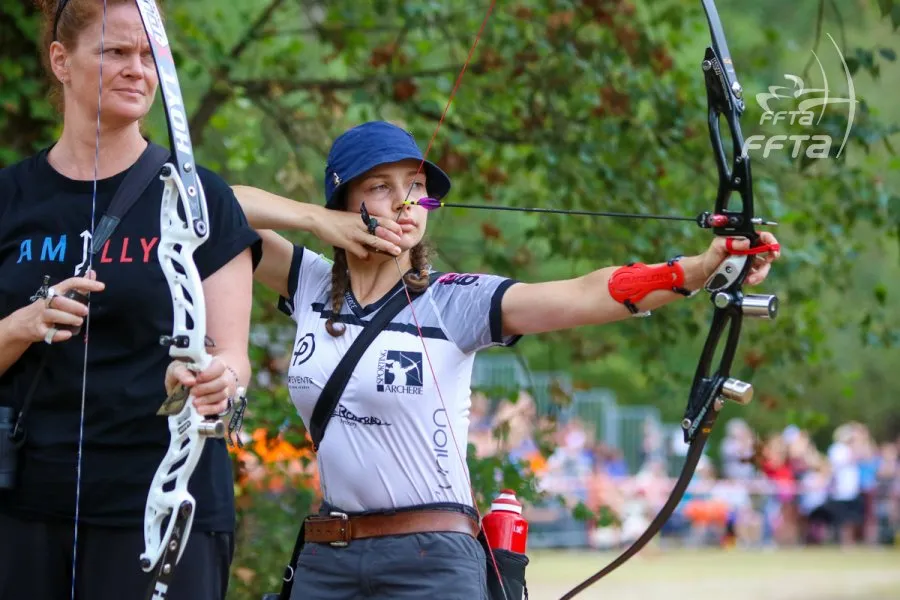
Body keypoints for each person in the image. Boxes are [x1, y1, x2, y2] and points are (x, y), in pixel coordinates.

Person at [231, 120, 781, 599]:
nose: (405, 202)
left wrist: (700, 267)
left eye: (416, 187)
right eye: (381, 187)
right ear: (344, 202)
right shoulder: (306, 283)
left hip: (429, 562)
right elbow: (203, 201)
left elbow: (582, 295)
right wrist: (313, 220)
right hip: (328, 559)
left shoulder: (452, 301)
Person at [0, 2, 262, 599]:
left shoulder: (203, 200)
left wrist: (216, 380)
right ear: (60, 61)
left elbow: (232, 357)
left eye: (148, 56)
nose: (136, 70)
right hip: (25, 507)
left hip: (166, 505)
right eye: (115, 52)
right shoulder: (9, 197)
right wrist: (22, 324)